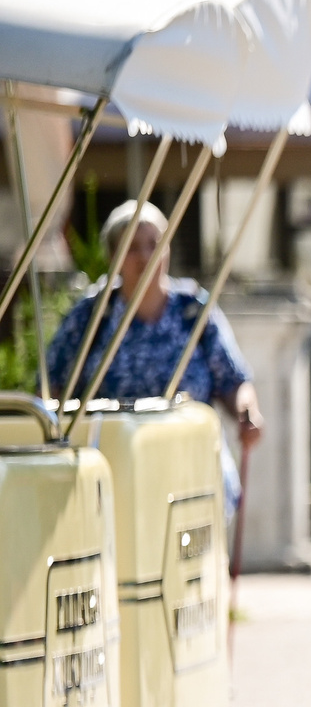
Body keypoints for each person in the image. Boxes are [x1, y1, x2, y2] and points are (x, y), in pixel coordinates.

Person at [45, 199, 263, 517]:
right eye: (132, 247)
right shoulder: (92, 315)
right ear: (113, 257)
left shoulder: (193, 310)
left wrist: (248, 413)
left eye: (154, 244)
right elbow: (50, 389)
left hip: (192, 479)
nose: (146, 256)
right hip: (117, 483)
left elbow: (234, 381)